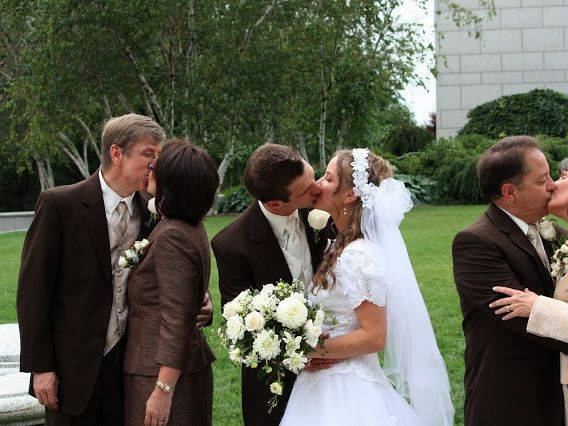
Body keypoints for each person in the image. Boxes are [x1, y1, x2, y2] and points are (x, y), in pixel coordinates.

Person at [16, 114, 212, 425]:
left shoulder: (156, 212)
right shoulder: (60, 204)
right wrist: (41, 367)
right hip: (72, 367)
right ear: (116, 153)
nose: (155, 164)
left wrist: (201, 301)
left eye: (159, 156)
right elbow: (33, 294)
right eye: (149, 154)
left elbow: (173, 273)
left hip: (130, 366)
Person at [452, 136, 568, 426]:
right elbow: (518, 315)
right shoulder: (475, 242)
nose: (552, 184)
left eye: (555, 176)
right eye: (543, 180)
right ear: (510, 192)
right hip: (512, 395)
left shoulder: (560, 235)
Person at [281, 148, 454, 425]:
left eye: (328, 178)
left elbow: (374, 336)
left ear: (350, 194)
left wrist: (309, 350)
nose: (318, 186)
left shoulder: (359, 255)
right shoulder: (340, 244)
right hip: (324, 383)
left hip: (346, 389)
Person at [211, 143, 333, 425]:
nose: (317, 189)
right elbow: (240, 326)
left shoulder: (322, 216)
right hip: (274, 383)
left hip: (332, 372)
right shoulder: (231, 244)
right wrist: (301, 353)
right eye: (305, 190)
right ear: (275, 203)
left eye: (312, 177)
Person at [123, 138, 218, 425]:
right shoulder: (188, 225)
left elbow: (176, 321)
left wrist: (163, 391)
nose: (149, 170)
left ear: (171, 183)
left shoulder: (172, 237)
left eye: (156, 167)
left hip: (160, 374)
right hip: (176, 369)